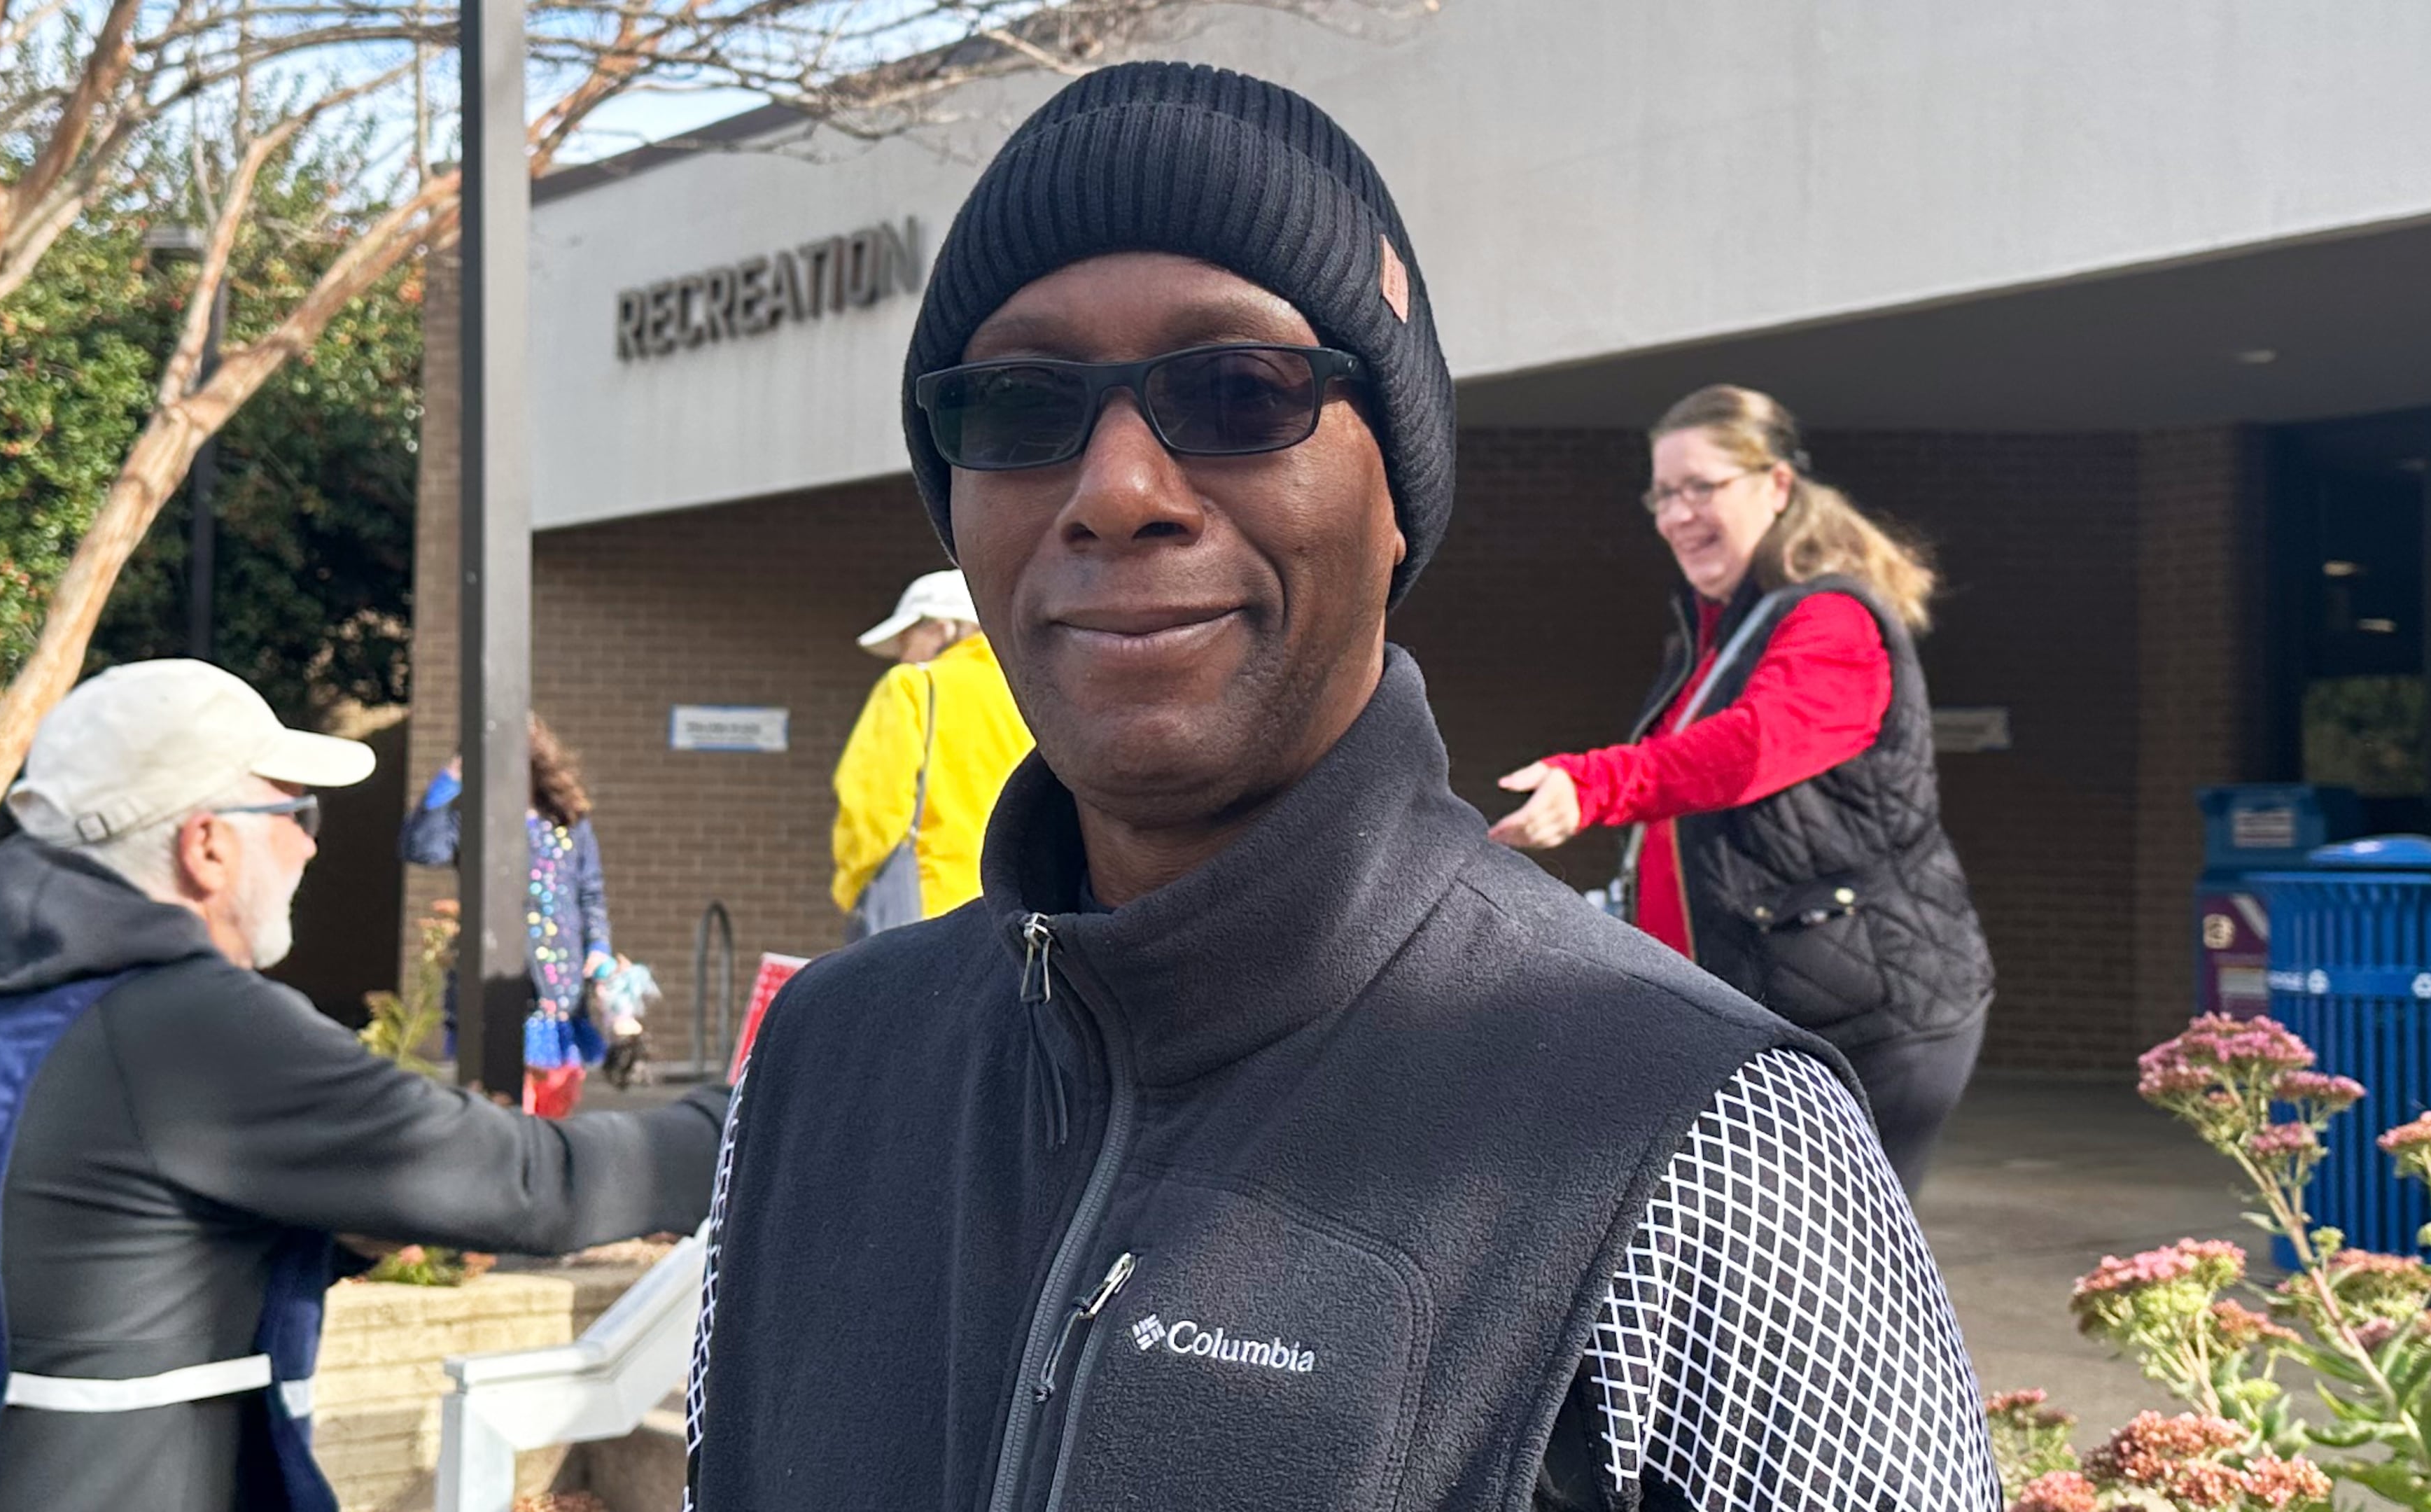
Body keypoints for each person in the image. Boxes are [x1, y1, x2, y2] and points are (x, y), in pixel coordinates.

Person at [687, 63, 1995, 1512]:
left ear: (1399, 506)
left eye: (1240, 390)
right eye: (1015, 405)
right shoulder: (814, 1064)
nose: (1118, 488)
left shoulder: (1706, 1137)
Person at [0, 660, 717, 1511]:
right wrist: (764, 1113)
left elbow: (67, 1224)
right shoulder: (184, 1024)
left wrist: (342, 1231)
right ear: (205, 846)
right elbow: (535, 1184)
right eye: (297, 816)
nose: (311, 850)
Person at [1489, 383, 1995, 1194]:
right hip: (1771, 1005)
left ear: (1778, 486)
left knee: (1826, 1289)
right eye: (1663, 494)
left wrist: (1595, 785)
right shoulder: (1722, 628)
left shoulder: (1832, 621)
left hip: (1863, 1018)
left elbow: (1752, 749)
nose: (1678, 515)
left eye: (1702, 487)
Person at [402, 715, 615, 1116]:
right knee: (506, 1106)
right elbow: (422, 849)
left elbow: (590, 891)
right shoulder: (472, 815)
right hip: (495, 981)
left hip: (561, 985)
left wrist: (600, 947)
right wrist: (450, 778)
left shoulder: (566, 818)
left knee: (556, 1103)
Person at [830, 568, 1035, 939]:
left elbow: (873, 813)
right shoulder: (1035, 690)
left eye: (908, 639)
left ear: (943, 628)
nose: (904, 657)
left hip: (932, 909)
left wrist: (853, 888)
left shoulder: (914, 686)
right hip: (1024, 913)